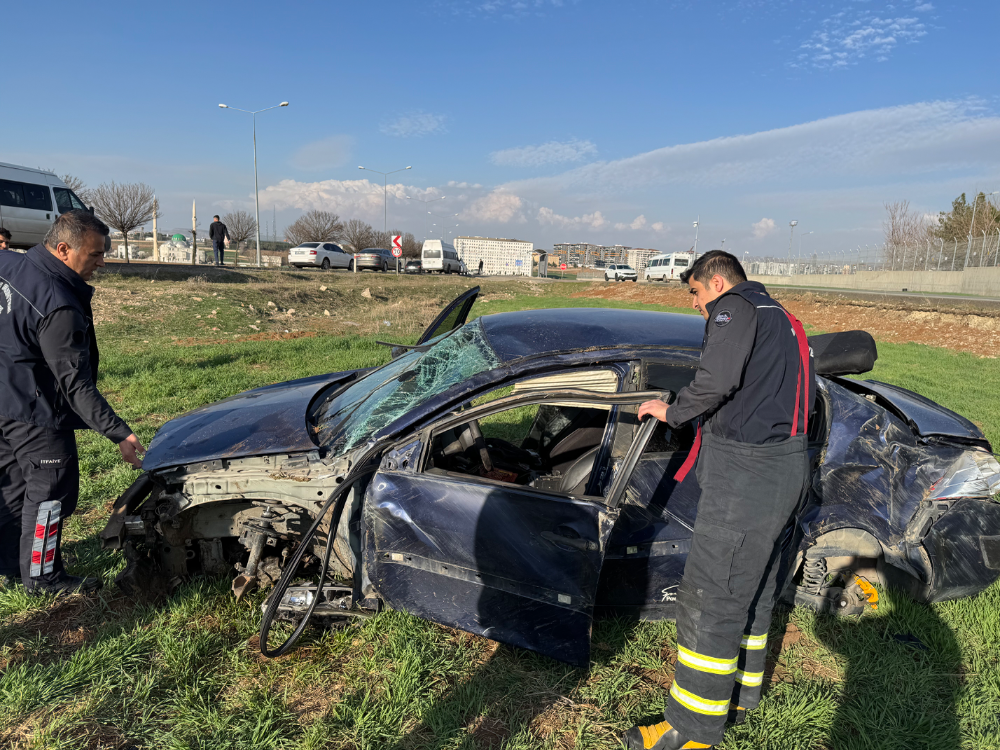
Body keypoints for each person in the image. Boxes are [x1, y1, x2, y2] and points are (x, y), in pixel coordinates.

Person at [623, 251, 815, 750]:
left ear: (716, 281)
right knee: (752, 589)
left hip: (747, 476)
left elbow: (717, 380)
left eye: (695, 292)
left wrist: (672, 410)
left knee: (711, 599)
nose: (697, 304)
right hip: (786, 468)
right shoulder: (786, 320)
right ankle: (739, 698)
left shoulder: (734, 309)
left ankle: (692, 730)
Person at [0, 211, 145, 595]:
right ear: (64, 249)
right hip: (36, 412)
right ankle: (44, 577)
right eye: (96, 254)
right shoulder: (59, 304)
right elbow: (75, 386)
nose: (102, 262)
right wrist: (120, 433)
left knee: (14, 485)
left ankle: (12, 564)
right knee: (51, 492)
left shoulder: (7, 262)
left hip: (3, 400)